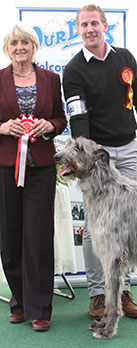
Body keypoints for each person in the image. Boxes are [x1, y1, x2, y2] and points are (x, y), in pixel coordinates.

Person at [63, 4, 137, 320]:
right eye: (84, 25)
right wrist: (86, 159)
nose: (90, 29)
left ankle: (123, 292)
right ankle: (97, 295)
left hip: (128, 149)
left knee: (126, 225)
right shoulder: (74, 69)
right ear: (78, 30)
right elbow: (79, 118)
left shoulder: (125, 58)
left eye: (94, 23)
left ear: (105, 25)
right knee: (95, 228)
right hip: (95, 158)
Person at [0, 24, 67, 331]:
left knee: (38, 236)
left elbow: (61, 117)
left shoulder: (51, 79)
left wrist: (49, 126)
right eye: (14, 43)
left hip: (40, 165)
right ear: (7, 48)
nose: (20, 47)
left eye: (25, 41)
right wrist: (1, 128)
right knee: (10, 237)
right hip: (5, 166)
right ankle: (19, 303)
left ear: (34, 46)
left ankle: (41, 309)